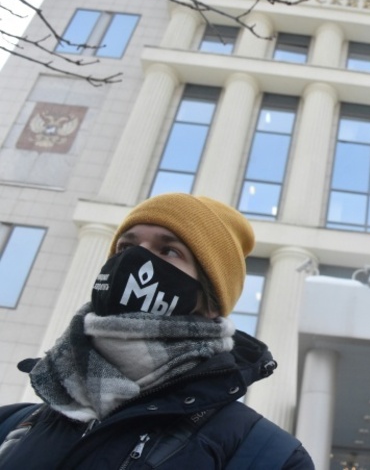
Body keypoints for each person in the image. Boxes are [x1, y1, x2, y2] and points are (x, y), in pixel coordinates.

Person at [0, 193, 314, 469]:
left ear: (211, 300)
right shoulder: (11, 425)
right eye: (125, 246)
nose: (134, 259)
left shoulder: (269, 457)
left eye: (169, 250)